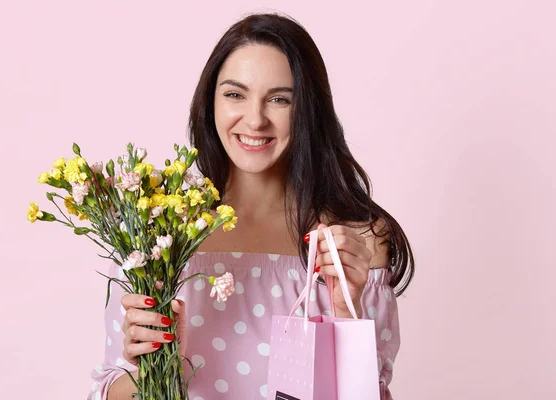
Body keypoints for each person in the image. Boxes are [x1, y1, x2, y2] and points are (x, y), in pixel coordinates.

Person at [89, 12, 414, 400]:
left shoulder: (355, 244)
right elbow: (108, 391)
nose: (255, 119)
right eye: (235, 94)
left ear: (308, 110)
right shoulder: (157, 237)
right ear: (210, 102)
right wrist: (156, 370)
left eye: (279, 99)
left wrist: (346, 312)